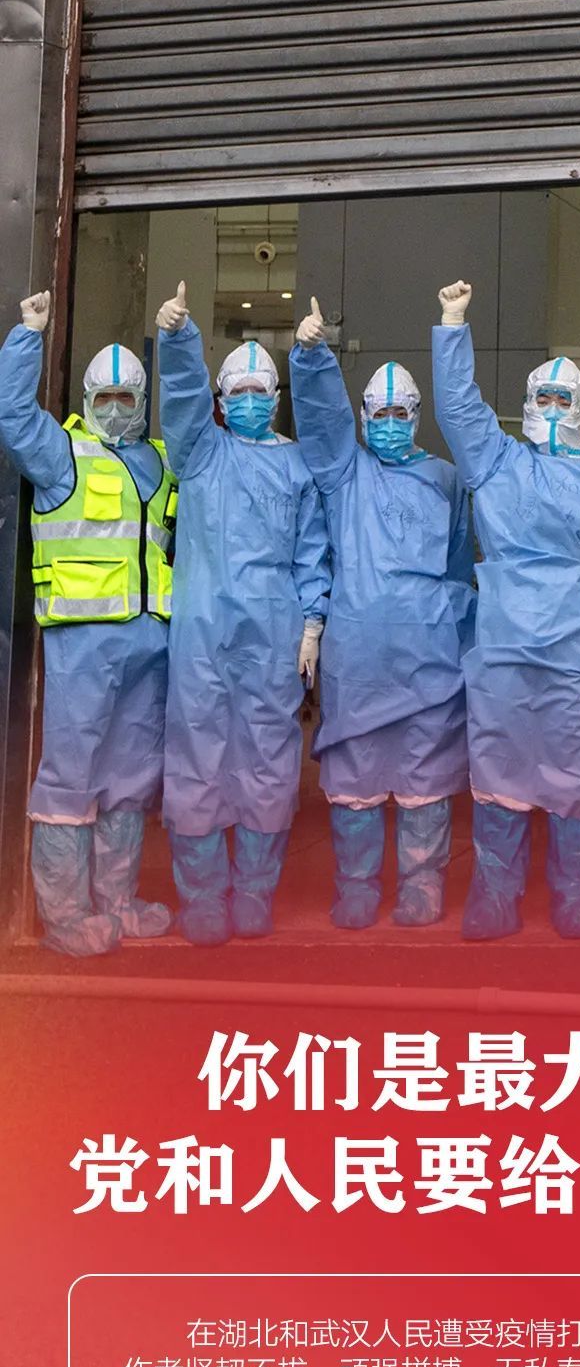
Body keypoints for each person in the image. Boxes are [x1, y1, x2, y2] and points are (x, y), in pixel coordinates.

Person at [432, 279, 580, 939]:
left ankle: (577, 896)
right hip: (501, 649)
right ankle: (495, 897)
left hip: (576, 653)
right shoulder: (495, 463)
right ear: (525, 405)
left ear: (579, 407)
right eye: (541, 398)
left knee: (576, 772)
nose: (551, 408)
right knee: (499, 769)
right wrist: (452, 324)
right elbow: (458, 407)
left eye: (562, 399)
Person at [289, 298, 474, 929]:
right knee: (355, 774)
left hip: (430, 654)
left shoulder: (446, 479)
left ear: (416, 417)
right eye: (379, 413)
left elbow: (458, 565)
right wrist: (312, 357)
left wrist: (458, 637)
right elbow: (322, 419)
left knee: (427, 773)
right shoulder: (345, 472)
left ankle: (422, 887)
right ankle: (357, 885)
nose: (390, 423)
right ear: (364, 416)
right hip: (359, 655)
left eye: (401, 413)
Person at [0, 292, 175, 956]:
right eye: (104, 397)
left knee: (131, 778)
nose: (115, 408)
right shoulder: (61, 453)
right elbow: (13, 415)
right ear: (87, 397)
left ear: (142, 401)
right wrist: (29, 335)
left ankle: (118, 903)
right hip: (82, 642)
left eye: (126, 398)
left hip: (149, 642)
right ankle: (67, 916)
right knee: (72, 774)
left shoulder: (159, 462)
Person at [154, 283, 330, 945]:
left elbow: (312, 551)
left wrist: (312, 623)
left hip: (274, 633)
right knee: (197, 753)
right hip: (202, 631)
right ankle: (202, 897)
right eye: (240, 391)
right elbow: (180, 399)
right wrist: (178, 341)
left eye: (262, 390)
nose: (252, 399)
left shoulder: (297, 466)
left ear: (277, 398)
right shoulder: (200, 452)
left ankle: (254, 891)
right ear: (221, 400)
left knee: (270, 757)